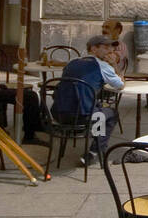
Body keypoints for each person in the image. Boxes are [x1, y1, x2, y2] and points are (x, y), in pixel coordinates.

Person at [51, 35, 131, 166]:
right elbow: (120, 85)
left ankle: (96, 144)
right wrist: (114, 65)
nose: (110, 51)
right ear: (93, 49)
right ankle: (94, 151)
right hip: (84, 116)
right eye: (106, 47)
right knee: (111, 113)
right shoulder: (104, 67)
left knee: (98, 109)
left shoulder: (72, 62)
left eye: (111, 47)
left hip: (58, 113)